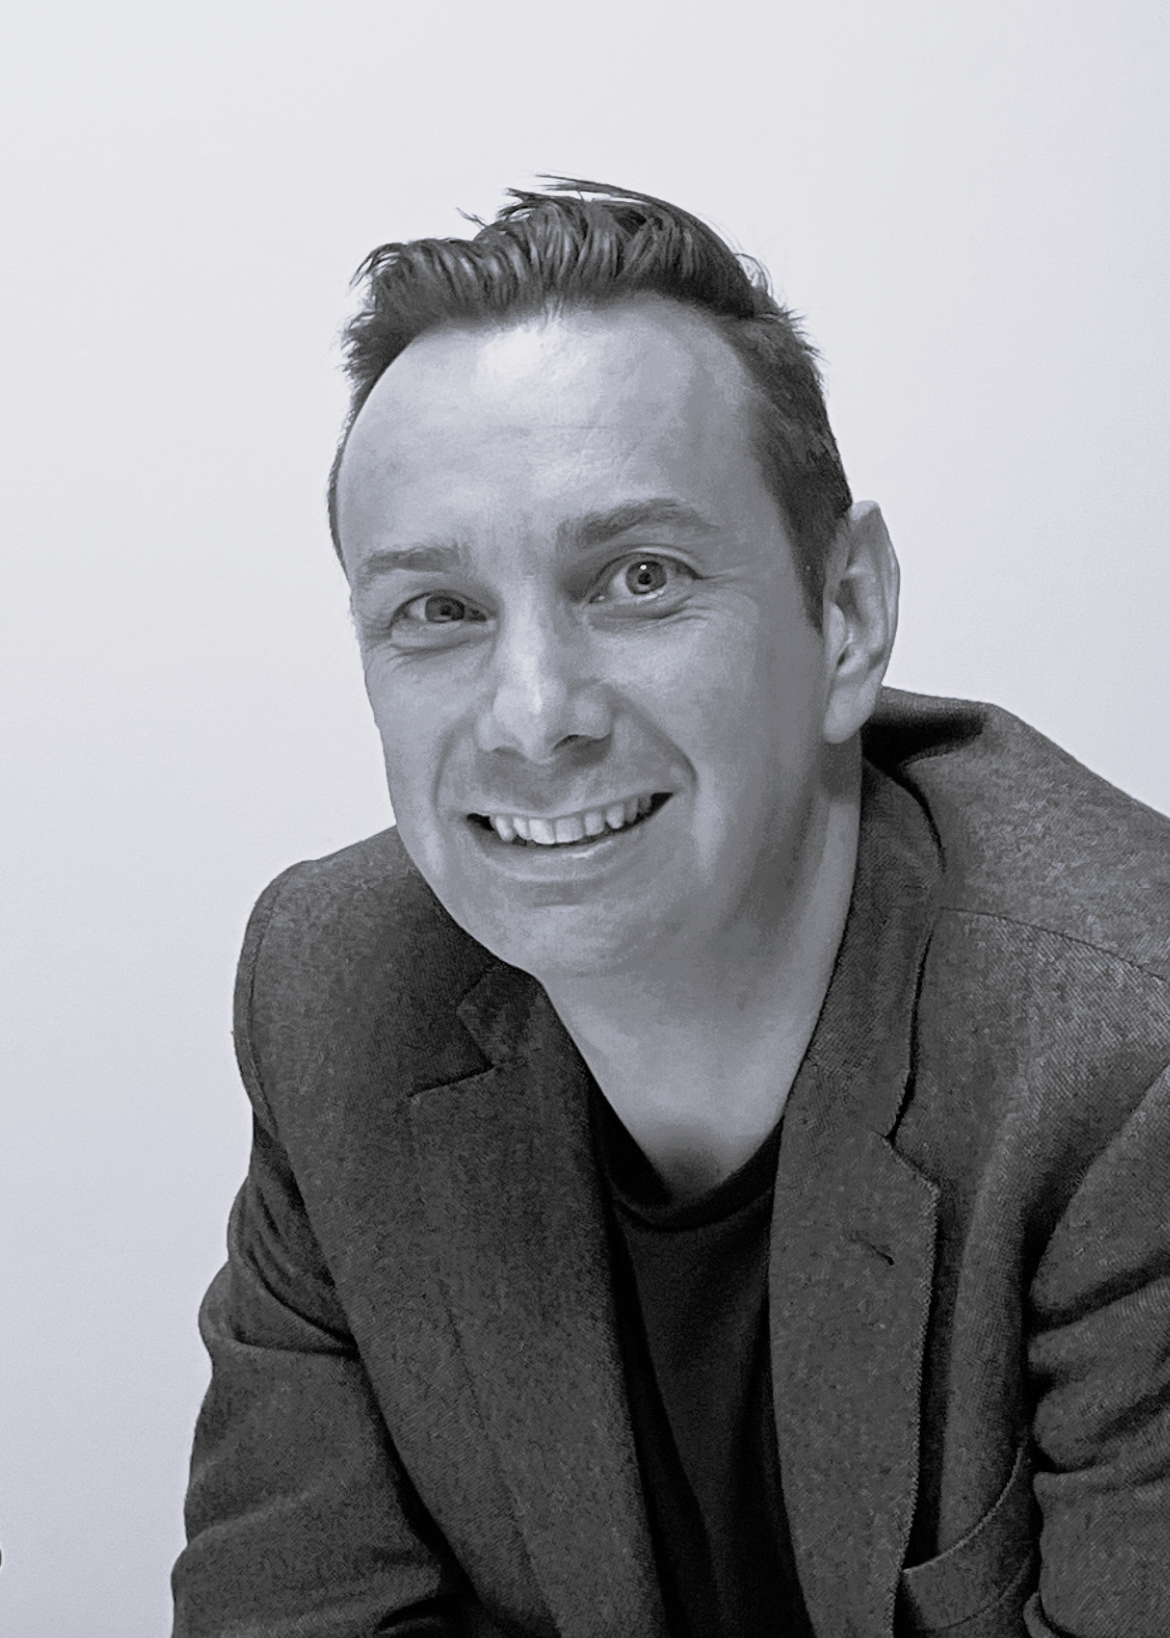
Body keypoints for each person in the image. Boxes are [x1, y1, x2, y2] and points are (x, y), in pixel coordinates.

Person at [172, 181, 1170, 1638]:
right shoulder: (333, 993)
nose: (533, 717)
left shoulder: (1126, 1069)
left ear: (846, 614)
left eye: (638, 578)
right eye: (437, 611)